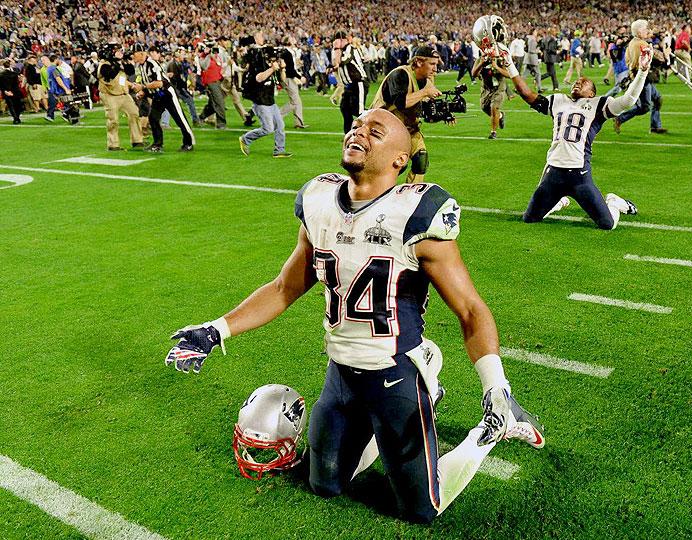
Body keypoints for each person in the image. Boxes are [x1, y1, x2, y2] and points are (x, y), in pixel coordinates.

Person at [164, 107, 544, 524]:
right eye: (357, 125)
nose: (358, 132)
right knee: (324, 484)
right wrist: (216, 330)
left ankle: (489, 428)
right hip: (341, 374)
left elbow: (470, 308)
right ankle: (427, 393)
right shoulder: (318, 200)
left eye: (375, 132)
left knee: (420, 510)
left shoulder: (417, 212)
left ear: (400, 160)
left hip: (394, 372)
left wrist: (495, 385)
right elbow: (284, 288)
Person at [496, 48, 651, 230]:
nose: (578, 83)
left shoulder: (599, 105)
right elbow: (527, 95)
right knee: (530, 218)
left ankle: (615, 202)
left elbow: (629, 100)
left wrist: (642, 71)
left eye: (583, 82)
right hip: (553, 173)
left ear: (592, 93)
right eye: (576, 81)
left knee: (607, 224)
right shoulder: (558, 100)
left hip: (579, 176)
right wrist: (510, 65)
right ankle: (558, 202)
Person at [370, 46, 443, 184]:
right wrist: (425, 92)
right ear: (419, 62)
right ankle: (376, 192)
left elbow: (422, 110)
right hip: (383, 128)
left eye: (436, 64)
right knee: (393, 166)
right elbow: (401, 103)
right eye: (432, 64)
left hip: (408, 128)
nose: (435, 69)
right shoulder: (400, 74)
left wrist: (442, 115)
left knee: (421, 160)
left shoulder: (427, 81)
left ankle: (411, 197)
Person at [134, 45, 195, 153]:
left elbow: (159, 83)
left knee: (179, 118)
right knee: (153, 118)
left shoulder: (152, 63)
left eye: (134, 53)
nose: (133, 56)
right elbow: (148, 83)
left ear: (141, 53)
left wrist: (143, 87)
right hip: (157, 96)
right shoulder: (141, 66)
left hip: (167, 94)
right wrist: (143, 92)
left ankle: (188, 143)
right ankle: (157, 144)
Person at [240, 31, 291, 158]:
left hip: (270, 100)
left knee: (280, 125)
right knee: (267, 129)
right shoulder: (258, 63)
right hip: (260, 101)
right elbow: (259, 78)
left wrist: (282, 68)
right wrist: (272, 69)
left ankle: (279, 150)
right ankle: (245, 139)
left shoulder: (270, 65)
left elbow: (281, 81)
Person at [613, 19, 668, 135]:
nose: (648, 31)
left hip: (642, 77)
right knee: (645, 107)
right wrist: (663, 55)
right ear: (638, 31)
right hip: (642, 78)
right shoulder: (640, 44)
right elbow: (657, 59)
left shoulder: (633, 42)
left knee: (657, 99)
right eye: (645, 29)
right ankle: (620, 118)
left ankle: (655, 126)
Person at [97, 42, 144, 151]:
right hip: (109, 95)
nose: (120, 52)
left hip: (123, 93)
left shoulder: (120, 62)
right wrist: (118, 64)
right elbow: (110, 74)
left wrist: (124, 62)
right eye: (117, 50)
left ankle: (137, 140)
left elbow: (131, 71)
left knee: (134, 113)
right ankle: (113, 144)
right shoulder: (104, 64)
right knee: (113, 120)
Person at [336, 34, 368, 135]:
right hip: (350, 85)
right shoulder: (342, 50)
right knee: (345, 108)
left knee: (359, 111)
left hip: (359, 82)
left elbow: (344, 60)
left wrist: (336, 54)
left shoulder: (349, 48)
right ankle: (348, 134)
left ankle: (367, 133)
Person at [472, 50, 507, 139]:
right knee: (484, 107)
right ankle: (500, 116)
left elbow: (509, 74)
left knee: (494, 108)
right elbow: (474, 74)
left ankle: (493, 132)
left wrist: (497, 67)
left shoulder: (500, 58)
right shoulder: (480, 59)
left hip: (498, 88)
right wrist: (481, 64)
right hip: (486, 88)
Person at [280, 37, 307, 129]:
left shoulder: (290, 52)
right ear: (288, 42)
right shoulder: (286, 53)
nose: (294, 39)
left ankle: (299, 122)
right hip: (288, 78)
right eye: (292, 39)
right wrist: (300, 77)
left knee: (297, 101)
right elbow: (290, 70)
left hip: (290, 77)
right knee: (295, 102)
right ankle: (277, 117)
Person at [0, 59, 22, 124]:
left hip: (7, 92)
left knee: (11, 105)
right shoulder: (15, 74)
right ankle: (17, 117)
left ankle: (15, 118)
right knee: (17, 105)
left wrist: (5, 91)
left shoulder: (1, 74)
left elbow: (0, 85)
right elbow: (16, 83)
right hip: (15, 91)